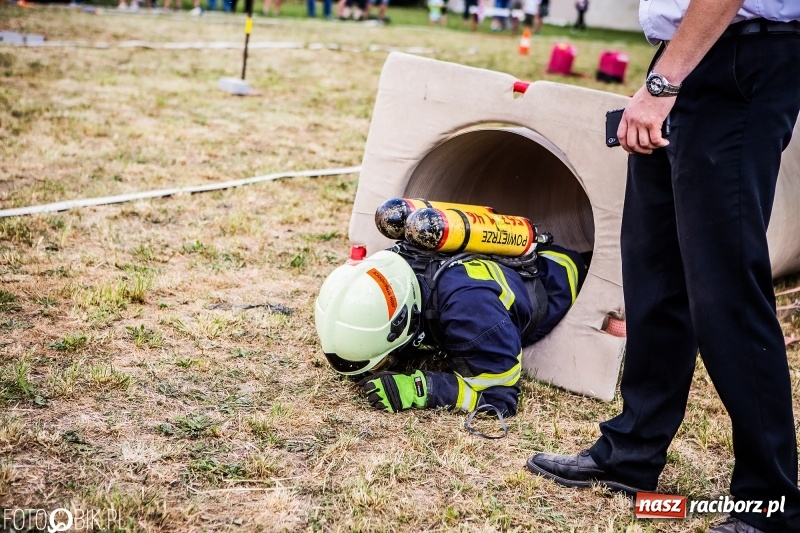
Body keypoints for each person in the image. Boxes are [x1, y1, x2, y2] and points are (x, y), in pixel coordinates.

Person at [525, 1, 800, 532]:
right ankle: (633, 451)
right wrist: (665, 75)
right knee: (655, 272)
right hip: (687, 59)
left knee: (724, 286)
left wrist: (661, 86)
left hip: (740, 57)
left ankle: (772, 501)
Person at [315, 243, 586, 417]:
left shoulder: (472, 316)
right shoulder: (392, 265)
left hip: (564, 281)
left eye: (385, 360)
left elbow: (499, 399)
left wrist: (419, 390)